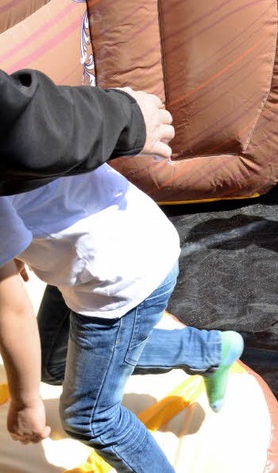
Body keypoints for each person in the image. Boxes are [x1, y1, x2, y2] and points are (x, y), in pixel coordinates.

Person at [0, 68, 244, 471]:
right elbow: (40, 195)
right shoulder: (24, 116)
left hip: (120, 275)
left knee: (88, 417)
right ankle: (210, 352)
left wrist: (26, 404)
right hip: (120, 245)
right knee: (52, 363)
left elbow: (12, 311)